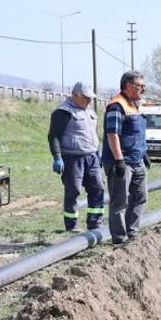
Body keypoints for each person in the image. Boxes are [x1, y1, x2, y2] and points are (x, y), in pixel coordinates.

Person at [47, 81, 104, 233]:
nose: (89, 101)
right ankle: (71, 225)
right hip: (72, 158)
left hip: (91, 157)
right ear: (75, 95)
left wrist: (98, 153)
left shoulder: (89, 111)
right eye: (86, 97)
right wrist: (57, 157)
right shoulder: (63, 111)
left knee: (97, 188)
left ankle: (95, 222)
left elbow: (93, 133)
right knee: (73, 191)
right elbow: (54, 136)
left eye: (90, 98)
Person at [101, 71, 148, 244]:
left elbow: (136, 133)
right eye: (140, 86)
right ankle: (120, 239)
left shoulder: (135, 105)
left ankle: (132, 233)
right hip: (122, 162)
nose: (143, 89)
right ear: (128, 86)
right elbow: (112, 134)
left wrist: (144, 152)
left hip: (137, 160)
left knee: (140, 196)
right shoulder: (117, 106)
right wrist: (119, 160)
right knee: (119, 202)